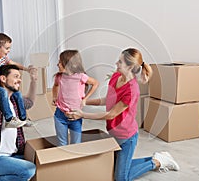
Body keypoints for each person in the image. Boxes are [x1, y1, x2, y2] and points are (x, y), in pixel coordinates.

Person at [67, 48, 180, 181]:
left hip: (127, 137)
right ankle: (157, 157)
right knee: (116, 167)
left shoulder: (132, 90)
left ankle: (156, 162)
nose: (116, 63)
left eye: (120, 62)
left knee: (121, 178)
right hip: (114, 133)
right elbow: (107, 100)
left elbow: (110, 114)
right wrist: (84, 101)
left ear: (130, 66)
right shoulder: (115, 77)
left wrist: (82, 114)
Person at [52, 49, 99, 146]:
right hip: (60, 114)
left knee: (76, 144)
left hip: (76, 116)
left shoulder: (81, 76)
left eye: (60, 62)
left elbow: (95, 83)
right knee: (62, 143)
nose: (58, 64)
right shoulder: (59, 77)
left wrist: (85, 99)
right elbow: (55, 85)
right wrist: (54, 96)